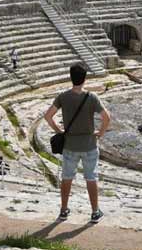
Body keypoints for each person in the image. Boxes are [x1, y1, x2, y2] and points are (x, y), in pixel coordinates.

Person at [43, 63, 111, 223]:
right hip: (89, 145)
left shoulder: (63, 96)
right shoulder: (92, 97)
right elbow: (106, 117)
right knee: (91, 178)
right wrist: (99, 134)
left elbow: (48, 116)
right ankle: (95, 212)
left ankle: (64, 211)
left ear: (71, 77)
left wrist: (60, 131)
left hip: (70, 146)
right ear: (85, 79)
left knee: (67, 177)